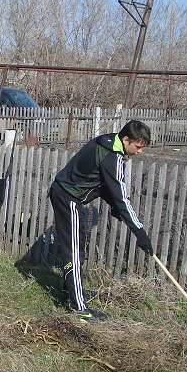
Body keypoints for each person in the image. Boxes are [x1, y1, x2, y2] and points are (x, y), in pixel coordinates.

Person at [49, 120, 153, 322]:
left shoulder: (108, 143)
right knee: (73, 250)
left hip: (69, 195)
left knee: (77, 244)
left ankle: (70, 293)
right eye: (138, 147)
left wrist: (114, 206)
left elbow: (99, 181)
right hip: (68, 196)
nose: (140, 152)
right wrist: (140, 233)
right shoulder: (111, 156)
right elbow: (122, 196)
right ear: (126, 139)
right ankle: (80, 309)